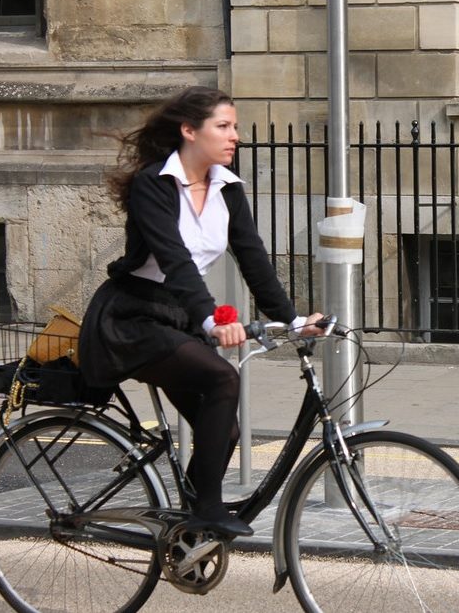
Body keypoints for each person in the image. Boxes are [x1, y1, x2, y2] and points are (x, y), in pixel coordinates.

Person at [79, 86, 324, 538]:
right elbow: (175, 260)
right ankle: (206, 511)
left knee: (223, 432)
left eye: (235, 127)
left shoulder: (227, 188)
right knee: (223, 379)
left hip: (177, 319)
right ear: (189, 131)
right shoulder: (154, 185)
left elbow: (253, 259)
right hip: (133, 318)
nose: (235, 136)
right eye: (224, 126)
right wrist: (214, 319)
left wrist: (293, 319)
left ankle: (187, 537)